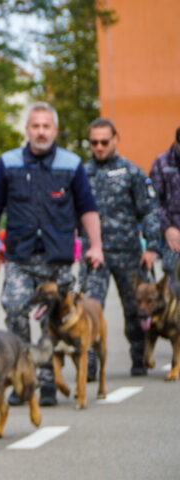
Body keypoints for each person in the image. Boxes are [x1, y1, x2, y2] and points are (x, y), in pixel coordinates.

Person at [0, 102, 104, 406]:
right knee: (14, 307)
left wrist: (96, 245)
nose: (40, 131)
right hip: (20, 257)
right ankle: (23, 375)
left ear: (55, 130)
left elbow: (88, 208)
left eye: (46, 126)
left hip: (57, 258)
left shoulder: (71, 164)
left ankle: (48, 381)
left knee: (56, 319)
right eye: (35, 126)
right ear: (27, 130)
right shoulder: (8, 163)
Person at [79, 118, 159, 376]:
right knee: (90, 307)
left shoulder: (132, 172)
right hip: (95, 254)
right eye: (94, 142)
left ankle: (139, 356)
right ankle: (89, 364)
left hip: (128, 252)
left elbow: (149, 211)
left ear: (115, 139)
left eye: (104, 141)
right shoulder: (81, 173)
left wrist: (151, 247)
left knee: (136, 307)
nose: (99, 147)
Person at [152, 127, 180, 280]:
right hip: (173, 237)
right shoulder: (162, 164)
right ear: (176, 142)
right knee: (172, 286)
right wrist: (168, 228)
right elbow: (153, 202)